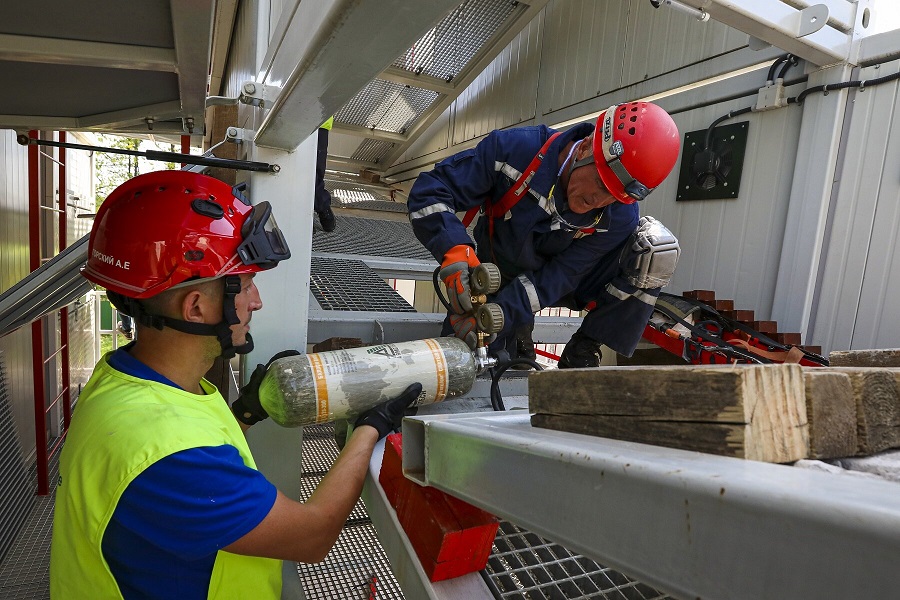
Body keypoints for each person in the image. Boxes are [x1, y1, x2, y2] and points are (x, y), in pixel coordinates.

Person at [50, 170, 420, 599]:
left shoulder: (123, 379)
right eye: (245, 285)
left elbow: (180, 441)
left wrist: (247, 411)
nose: (256, 302)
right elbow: (313, 535)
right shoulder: (172, 456)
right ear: (195, 306)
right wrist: (369, 429)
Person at [408, 102, 682, 368]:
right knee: (462, 355)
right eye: (600, 183)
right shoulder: (515, 151)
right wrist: (455, 251)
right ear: (585, 147)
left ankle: (585, 348)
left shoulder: (619, 215)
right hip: (498, 271)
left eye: (614, 197)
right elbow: (431, 190)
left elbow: (561, 275)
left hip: (566, 278)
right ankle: (517, 332)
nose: (598, 201)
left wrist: (508, 311)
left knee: (655, 249)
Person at [314, 116, 336, 232]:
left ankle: (322, 206)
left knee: (316, 170)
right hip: (292, 117)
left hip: (320, 120)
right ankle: (303, 215)